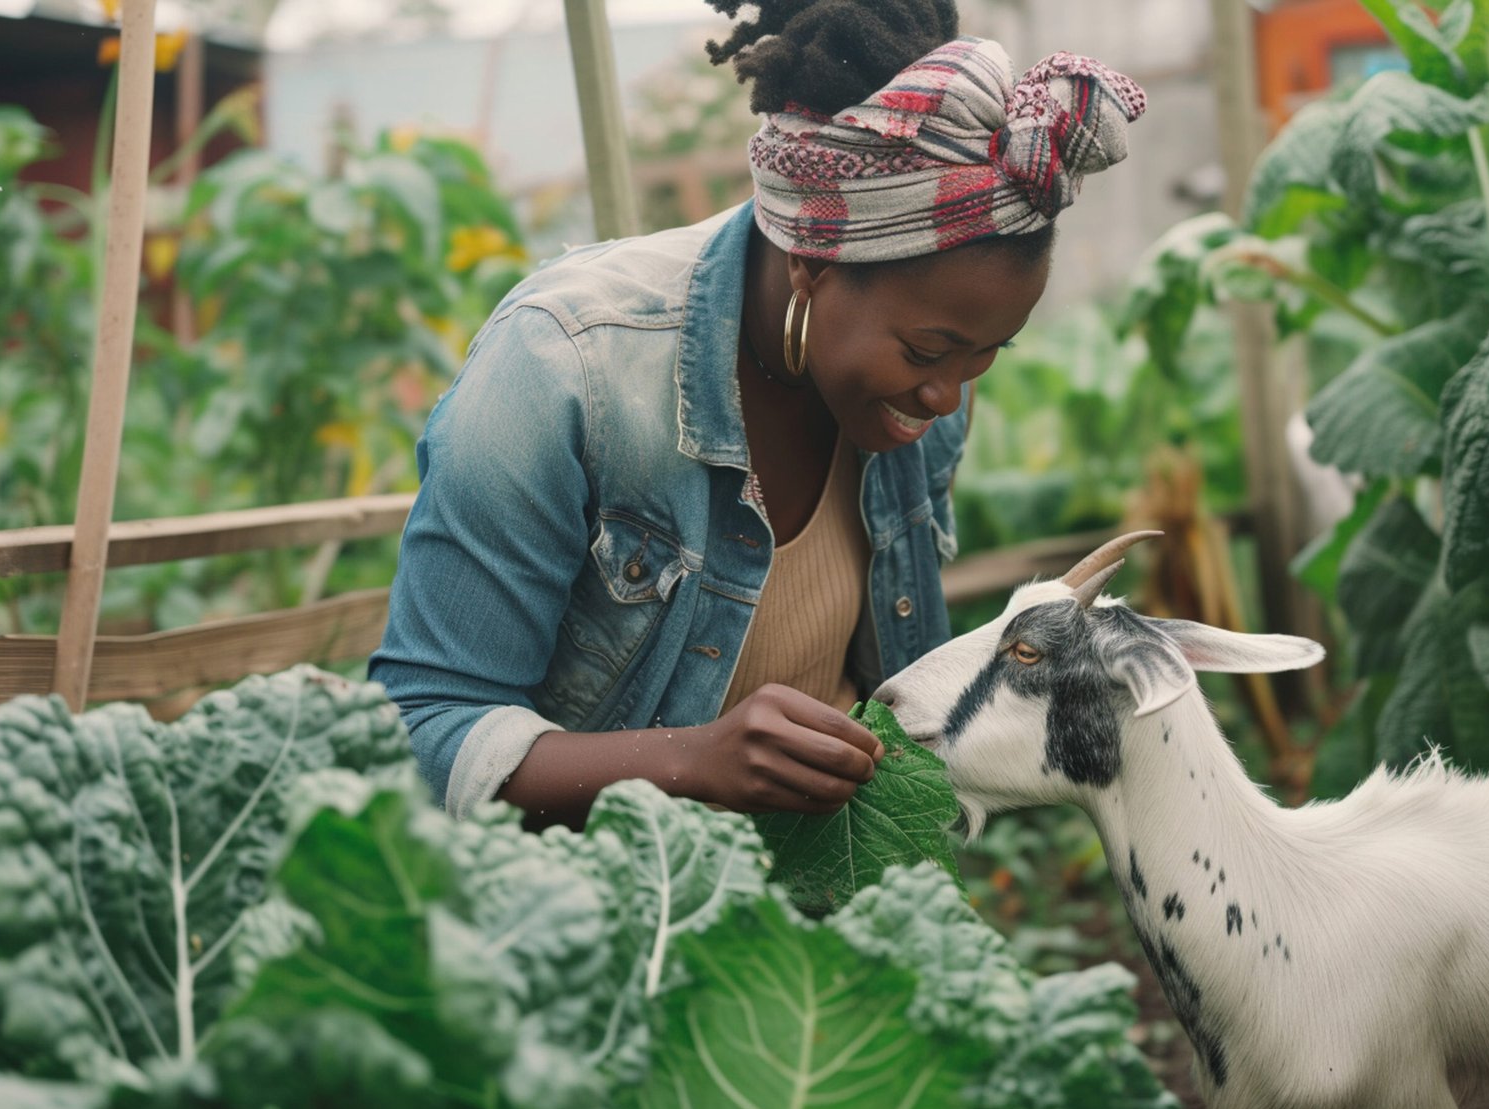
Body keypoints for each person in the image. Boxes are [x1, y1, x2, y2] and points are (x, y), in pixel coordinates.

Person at [369, 0, 1145, 829]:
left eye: (987, 354)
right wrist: (689, 761)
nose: (948, 396)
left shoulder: (918, 392)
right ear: (811, 262)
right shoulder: (565, 366)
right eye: (926, 352)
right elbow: (423, 725)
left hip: (820, 894)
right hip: (609, 915)